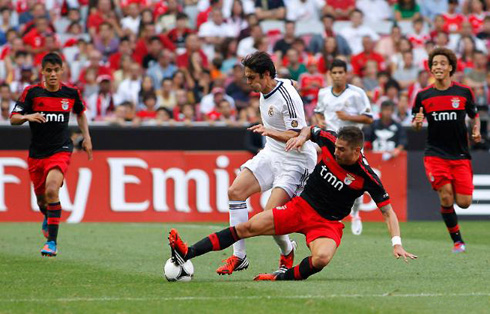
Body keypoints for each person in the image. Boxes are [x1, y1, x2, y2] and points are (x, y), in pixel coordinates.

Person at [168, 126, 416, 281]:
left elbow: (388, 212)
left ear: (357, 150)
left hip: (327, 224)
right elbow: (311, 129)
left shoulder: (367, 175)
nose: (337, 152)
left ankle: (282, 277)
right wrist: (301, 138)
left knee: (321, 259)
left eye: (342, 150)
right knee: (248, 227)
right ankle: (187, 252)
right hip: (301, 207)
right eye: (337, 147)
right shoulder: (330, 140)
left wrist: (397, 243)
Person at [215, 51, 317, 275]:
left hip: (295, 160)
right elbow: (287, 82)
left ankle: (288, 249)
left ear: (266, 74)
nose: (248, 82)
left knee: (271, 217)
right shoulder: (272, 84)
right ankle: (238, 256)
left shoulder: (287, 97)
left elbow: (298, 135)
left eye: (252, 77)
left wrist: (268, 130)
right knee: (235, 191)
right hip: (272, 153)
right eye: (247, 77)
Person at [9, 52, 93, 257]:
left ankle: (52, 242)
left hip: (61, 150)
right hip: (37, 154)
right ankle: (48, 216)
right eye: (49, 71)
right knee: (41, 201)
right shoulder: (32, 93)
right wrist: (29, 116)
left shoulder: (71, 93)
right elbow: (13, 118)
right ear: (43, 72)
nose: (53, 74)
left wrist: (87, 137)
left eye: (57, 70)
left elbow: (80, 113)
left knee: (52, 189)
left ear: (62, 70)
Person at [412, 47, 481, 254]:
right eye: (434, 64)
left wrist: (476, 129)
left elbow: (474, 115)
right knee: (446, 196)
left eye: (442, 63)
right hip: (435, 154)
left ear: (450, 67)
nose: (438, 67)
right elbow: (417, 123)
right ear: (431, 69)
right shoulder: (423, 96)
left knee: (465, 202)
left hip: (460, 154)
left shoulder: (463, 92)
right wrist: (416, 123)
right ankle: (458, 241)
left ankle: (457, 235)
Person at [314, 59, 373, 235]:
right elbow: (318, 111)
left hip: (353, 144)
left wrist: (349, 116)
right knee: (330, 180)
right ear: (330, 75)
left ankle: (355, 213)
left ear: (346, 74)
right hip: (332, 143)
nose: (338, 76)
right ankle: (333, 216)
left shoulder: (357, 93)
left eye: (341, 72)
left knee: (356, 181)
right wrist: (319, 120)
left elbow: (369, 118)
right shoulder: (323, 93)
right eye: (335, 73)